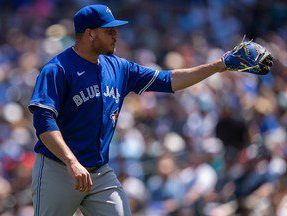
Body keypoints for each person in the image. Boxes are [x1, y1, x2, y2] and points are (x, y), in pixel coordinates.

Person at [28, 4, 272, 216]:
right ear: (90, 34)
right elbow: (43, 122)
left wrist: (219, 66)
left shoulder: (119, 67)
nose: (116, 35)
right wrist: (71, 162)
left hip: (99, 172)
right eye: (109, 30)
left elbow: (169, 80)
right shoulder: (58, 69)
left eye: (116, 29)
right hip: (59, 169)